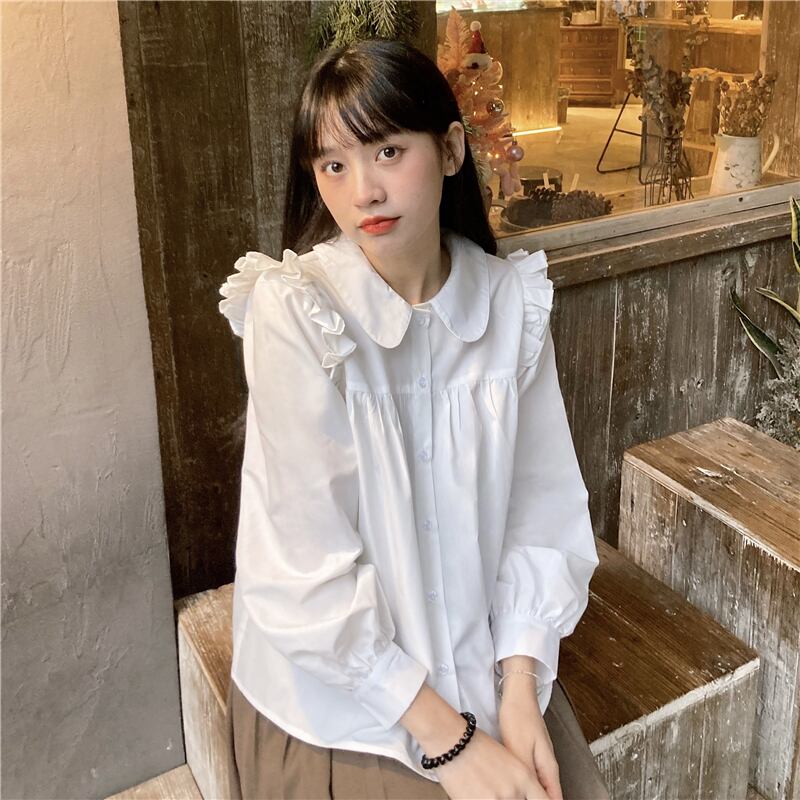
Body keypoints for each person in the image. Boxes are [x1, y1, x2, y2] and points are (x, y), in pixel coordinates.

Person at [218, 38, 609, 800]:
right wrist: (454, 744)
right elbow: (303, 576)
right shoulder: (297, 314)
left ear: (452, 149)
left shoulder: (510, 306)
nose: (364, 190)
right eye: (334, 165)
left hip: (488, 674)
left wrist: (519, 686)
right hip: (338, 706)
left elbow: (540, 514)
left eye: (388, 152)